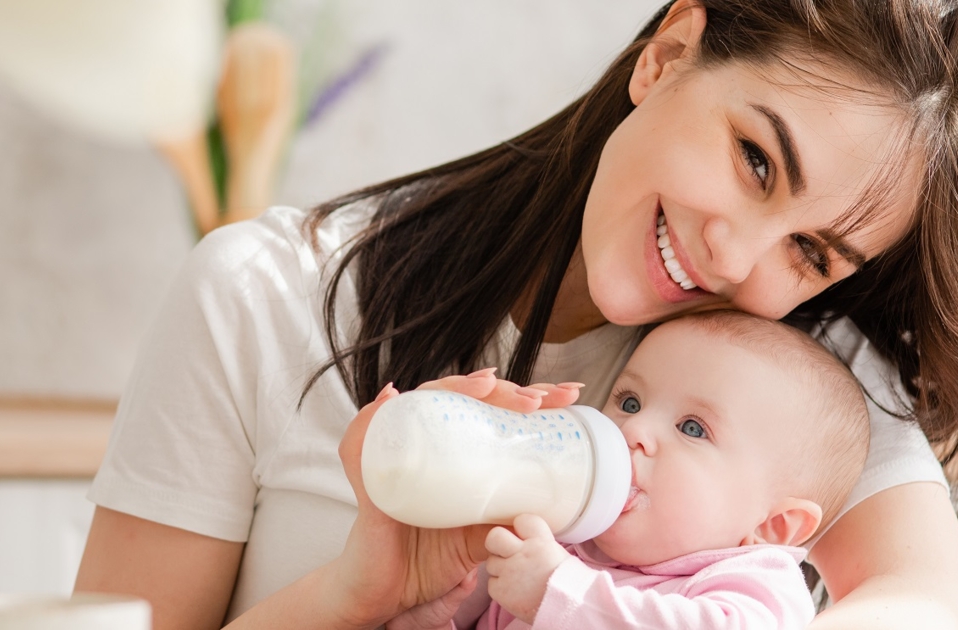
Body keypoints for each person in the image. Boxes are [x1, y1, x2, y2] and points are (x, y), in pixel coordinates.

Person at [74, 1, 958, 628]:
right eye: (756, 161)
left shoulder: (796, 375)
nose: (735, 258)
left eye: (812, 252)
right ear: (668, 54)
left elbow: (922, 603)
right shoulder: (262, 297)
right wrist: (348, 598)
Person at [385, 310, 870, 630]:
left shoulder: (753, 588)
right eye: (630, 401)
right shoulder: (558, 544)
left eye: (693, 428)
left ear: (772, 526)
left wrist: (558, 592)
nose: (633, 428)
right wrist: (436, 609)